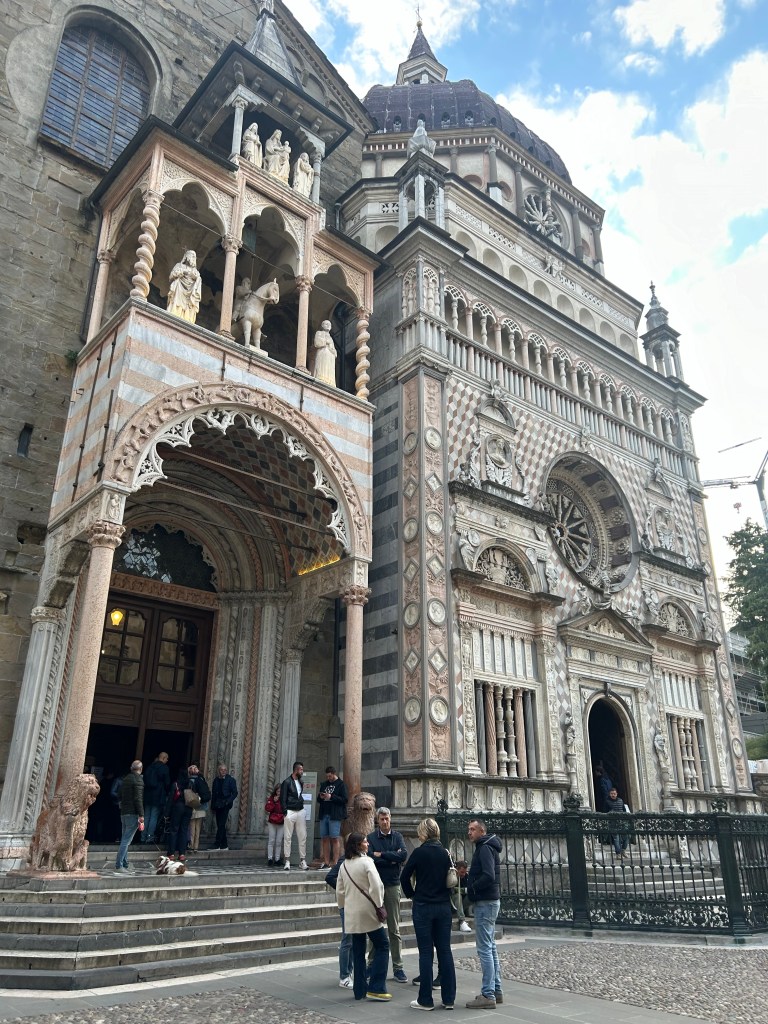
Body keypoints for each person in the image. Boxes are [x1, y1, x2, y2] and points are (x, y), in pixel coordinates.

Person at [400, 818, 457, 1011]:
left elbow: (404, 876)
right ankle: (449, 999)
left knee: (425, 952)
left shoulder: (419, 852)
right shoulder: (445, 853)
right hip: (443, 906)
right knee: (445, 951)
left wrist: (412, 894)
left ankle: (425, 999)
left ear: (423, 833)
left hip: (423, 905)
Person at [336, 831, 391, 1002]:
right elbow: (377, 885)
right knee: (383, 945)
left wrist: (343, 907)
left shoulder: (344, 865)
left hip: (352, 913)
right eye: (365, 842)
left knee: (358, 951)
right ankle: (377, 987)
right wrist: (379, 904)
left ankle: (359, 990)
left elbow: (340, 891)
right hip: (368, 911)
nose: (368, 844)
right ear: (358, 845)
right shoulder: (367, 862)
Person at [367, 806, 408, 984]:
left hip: (392, 884)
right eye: (382, 819)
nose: (385, 822)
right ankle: (371, 964)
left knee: (394, 928)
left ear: (390, 819)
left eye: (387, 819)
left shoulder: (397, 837)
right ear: (377, 820)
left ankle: (398, 967)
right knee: (374, 926)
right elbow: (370, 858)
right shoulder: (371, 838)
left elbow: (403, 855)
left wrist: (382, 854)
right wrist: (391, 858)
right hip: (376, 886)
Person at [465, 818, 503, 1009]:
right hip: (490, 901)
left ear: (482, 831)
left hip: (485, 902)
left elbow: (488, 875)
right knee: (491, 946)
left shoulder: (485, 848)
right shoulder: (486, 846)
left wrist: (472, 887)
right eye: (469, 829)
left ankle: (488, 994)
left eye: (473, 829)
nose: (469, 832)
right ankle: (496, 990)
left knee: (485, 949)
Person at [325, 856, 353, 989]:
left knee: (353, 940)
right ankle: (344, 976)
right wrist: (342, 890)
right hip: (346, 905)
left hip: (354, 904)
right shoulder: (344, 861)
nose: (368, 846)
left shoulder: (360, 859)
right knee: (347, 940)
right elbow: (330, 877)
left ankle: (349, 972)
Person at [115, 759, 144, 873]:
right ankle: (119, 865)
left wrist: (122, 804)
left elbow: (119, 794)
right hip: (133, 813)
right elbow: (138, 799)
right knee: (126, 841)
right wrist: (141, 814)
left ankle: (125, 863)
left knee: (125, 839)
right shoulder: (138, 780)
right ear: (140, 769)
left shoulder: (126, 779)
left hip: (124, 812)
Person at [280, 761, 308, 870]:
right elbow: (283, 798)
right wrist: (285, 812)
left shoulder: (300, 781)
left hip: (300, 810)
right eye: (301, 770)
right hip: (290, 811)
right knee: (288, 837)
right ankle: (287, 861)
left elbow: (299, 795)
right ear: (296, 770)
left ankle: (302, 861)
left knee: (303, 836)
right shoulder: (286, 782)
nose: (302, 772)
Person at [318, 765, 347, 867]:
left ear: (334, 774)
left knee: (334, 838)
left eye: (330, 776)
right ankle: (326, 862)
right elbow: (318, 800)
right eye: (327, 776)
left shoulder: (341, 784)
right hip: (324, 814)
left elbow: (344, 799)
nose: (328, 778)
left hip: (334, 815)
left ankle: (335, 862)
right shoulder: (324, 784)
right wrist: (321, 797)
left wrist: (332, 796)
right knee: (324, 838)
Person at [141, 752, 170, 844]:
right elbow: (167, 783)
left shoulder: (150, 767)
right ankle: (150, 837)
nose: (167, 760)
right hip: (158, 795)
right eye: (167, 759)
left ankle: (143, 837)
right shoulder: (164, 768)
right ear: (163, 758)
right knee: (154, 816)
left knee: (146, 816)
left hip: (148, 795)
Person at [166, 249, 202, 323]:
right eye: (192, 256)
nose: (193, 258)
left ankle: (188, 318)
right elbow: (171, 276)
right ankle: (174, 313)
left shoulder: (196, 272)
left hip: (191, 292)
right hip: (179, 289)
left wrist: (196, 278)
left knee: (189, 306)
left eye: (194, 257)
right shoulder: (179, 265)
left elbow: (199, 280)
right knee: (176, 303)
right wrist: (182, 272)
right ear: (187, 257)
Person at [165, 766, 192, 859]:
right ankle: (182, 853)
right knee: (184, 830)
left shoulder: (176, 784)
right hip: (188, 808)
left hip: (178, 807)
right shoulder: (190, 784)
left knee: (174, 830)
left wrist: (167, 813)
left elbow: (170, 800)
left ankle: (171, 853)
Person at [210, 763, 238, 850]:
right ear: (219, 770)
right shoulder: (216, 780)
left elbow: (235, 793)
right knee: (220, 824)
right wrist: (212, 806)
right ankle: (224, 845)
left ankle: (217, 844)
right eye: (222, 770)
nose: (223, 771)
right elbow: (214, 794)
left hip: (225, 804)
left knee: (221, 824)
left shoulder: (231, 780)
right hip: (217, 804)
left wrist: (228, 801)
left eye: (225, 770)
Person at [186, 764, 211, 853]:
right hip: (202, 806)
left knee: (192, 827)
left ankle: (191, 845)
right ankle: (196, 846)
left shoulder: (190, 780)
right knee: (198, 827)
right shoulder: (202, 779)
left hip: (194, 805)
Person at [605, 786, 629, 857]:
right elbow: (605, 811)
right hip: (613, 822)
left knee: (626, 837)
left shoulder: (620, 801)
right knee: (616, 838)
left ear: (616, 794)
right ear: (609, 794)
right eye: (611, 794)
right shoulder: (607, 802)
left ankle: (623, 850)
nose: (613, 795)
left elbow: (624, 810)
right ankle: (618, 853)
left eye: (614, 794)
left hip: (622, 821)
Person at [312, 320, 337, 387]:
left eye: (329, 324)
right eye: (326, 324)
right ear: (322, 326)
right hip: (322, 354)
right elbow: (317, 343)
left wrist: (334, 352)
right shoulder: (319, 333)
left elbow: (334, 349)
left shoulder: (331, 338)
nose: (328, 325)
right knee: (321, 369)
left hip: (330, 356)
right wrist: (326, 342)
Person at [265, 784, 284, 867]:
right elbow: (267, 808)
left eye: (280, 791)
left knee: (279, 841)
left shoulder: (284, 799)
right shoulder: (272, 798)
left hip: (282, 821)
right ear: (275, 791)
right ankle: (270, 858)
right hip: (272, 822)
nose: (279, 793)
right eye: (278, 791)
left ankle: (277, 859)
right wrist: (274, 802)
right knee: (271, 840)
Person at [453, 860, 472, 931]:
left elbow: (469, 888)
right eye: (461, 872)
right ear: (456, 869)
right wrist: (463, 890)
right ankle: (462, 921)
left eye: (465, 872)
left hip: (462, 903)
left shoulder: (466, 876)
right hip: (452, 903)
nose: (463, 874)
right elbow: (452, 890)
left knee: (472, 895)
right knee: (458, 896)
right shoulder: (452, 876)